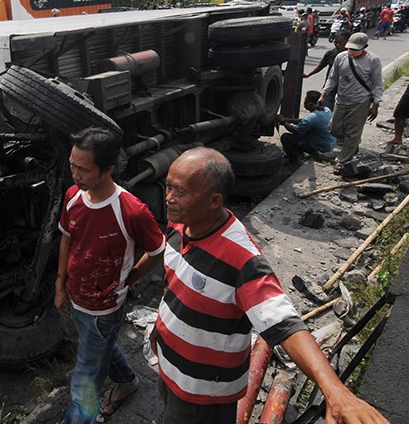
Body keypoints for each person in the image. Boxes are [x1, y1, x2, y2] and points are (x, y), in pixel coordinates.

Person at [150, 147, 389, 424]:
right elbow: (175, 286)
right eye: (168, 187)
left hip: (201, 392)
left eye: (180, 192)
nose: (169, 199)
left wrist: (335, 391)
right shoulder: (181, 224)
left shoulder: (242, 260)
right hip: (170, 366)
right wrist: (161, 327)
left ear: (214, 200)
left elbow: (286, 324)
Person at [56, 128, 165, 424]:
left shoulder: (131, 210)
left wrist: (128, 280)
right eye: (72, 165)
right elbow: (67, 239)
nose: (75, 174)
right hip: (77, 300)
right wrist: (59, 284)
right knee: (100, 346)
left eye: (83, 169)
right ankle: (128, 382)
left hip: (105, 309)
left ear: (108, 170)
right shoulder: (72, 196)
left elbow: (157, 251)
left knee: (84, 383)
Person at [321, 32, 383, 165]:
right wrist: (324, 94)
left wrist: (376, 104)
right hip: (342, 99)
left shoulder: (373, 60)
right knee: (335, 128)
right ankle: (352, 144)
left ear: (364, 47)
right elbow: (332, 78)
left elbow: (377, 83)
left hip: (360, 101)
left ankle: (343, 159)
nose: (351, 52)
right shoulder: (341, 57)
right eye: (350, 48)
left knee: (353, 132)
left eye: (355, 50)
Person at [278, 90, 336, 162]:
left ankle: (294, 159)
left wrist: (283, 121)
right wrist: (288, 120)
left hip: (322, 147)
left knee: (286, 137)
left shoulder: (312, 117)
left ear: (311, 104)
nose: (304, 103)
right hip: (330, 143)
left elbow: (296, 130)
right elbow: (304, 121)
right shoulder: (326, 110)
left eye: (305, 101)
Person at [304, 30, 350, 110]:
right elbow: (320, 66)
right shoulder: (331, 54)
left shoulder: (354, 56)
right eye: (336, 42)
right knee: (327, 110)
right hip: (330, 88)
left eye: (341, 42)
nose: (337, 45)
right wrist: (309, 74)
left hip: (346, 89)